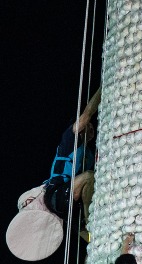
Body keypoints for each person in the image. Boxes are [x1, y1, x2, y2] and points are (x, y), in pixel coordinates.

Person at [43, 88, 101, 234]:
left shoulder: (88, 154)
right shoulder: (70, 139)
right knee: (88, 176)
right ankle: (90, 222)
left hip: (70, 202)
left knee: (88, 239)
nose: (91, 128)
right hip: (56, 193)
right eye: (89, 126)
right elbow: (86, 115)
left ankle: (90, 239)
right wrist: (101, 90)